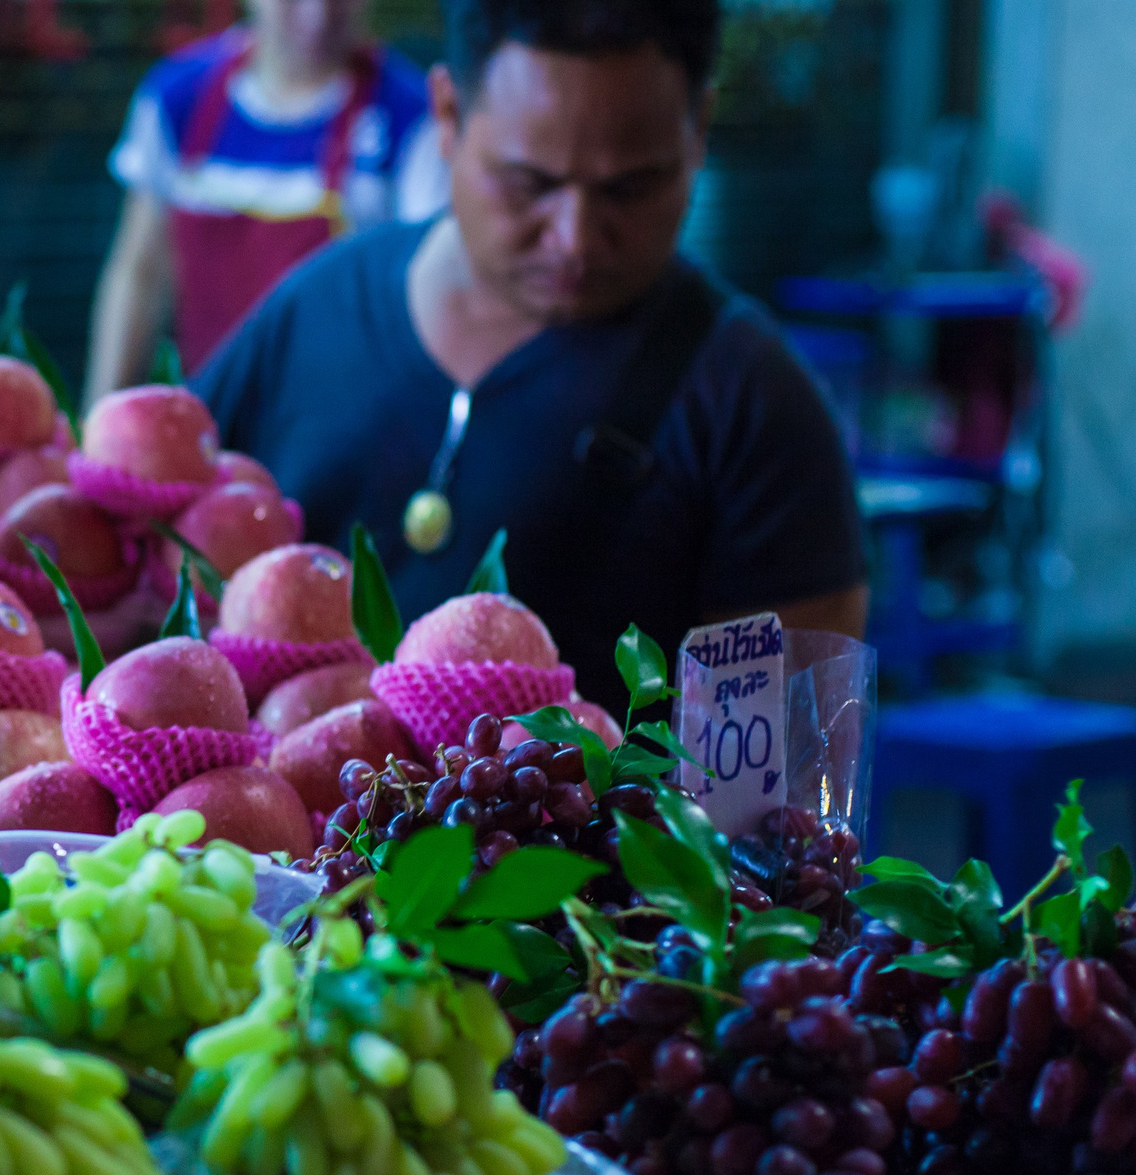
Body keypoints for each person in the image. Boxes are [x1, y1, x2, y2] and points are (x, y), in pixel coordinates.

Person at [194, 0, 868, 706]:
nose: (574, 238)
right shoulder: (315, 312)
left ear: (698, 128)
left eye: (628, 189)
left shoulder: (750, 406)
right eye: (530, 183)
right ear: (448, 114)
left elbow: (777, 786)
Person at [84, 0, 447, 400]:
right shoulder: (178, 99)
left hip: (344, 425)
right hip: (203, 418)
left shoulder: (412, 118)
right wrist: (102, 408)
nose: (316, 17)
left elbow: (431, 293)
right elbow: (141, 273)